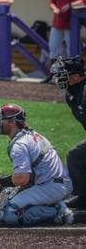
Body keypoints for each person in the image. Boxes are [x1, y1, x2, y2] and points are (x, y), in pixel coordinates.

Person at [0, 103, 73, 226]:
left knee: (9, 214)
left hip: (51, 187)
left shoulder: (20, 145)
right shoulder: (32, 134)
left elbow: (22, 179)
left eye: (1, 119)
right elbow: (29, 175)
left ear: (13, 122)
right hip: (57, 183)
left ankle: (58, 212)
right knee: (11, 200)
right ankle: (55, 203)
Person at [50, 55, 86, 209]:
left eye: (63, 74)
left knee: (76, 155)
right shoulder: (71, 94)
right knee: (76, 155)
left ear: (77, 76)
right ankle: (83, 197)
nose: (58, 78)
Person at [48, 0, 86, 65]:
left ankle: (73, 74)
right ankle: (54, 73)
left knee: (72, 50)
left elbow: (83, 0)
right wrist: (54, 9)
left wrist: (70, 5)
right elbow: (51, 2)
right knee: (53, 47)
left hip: (72, 25)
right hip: (57, 23)